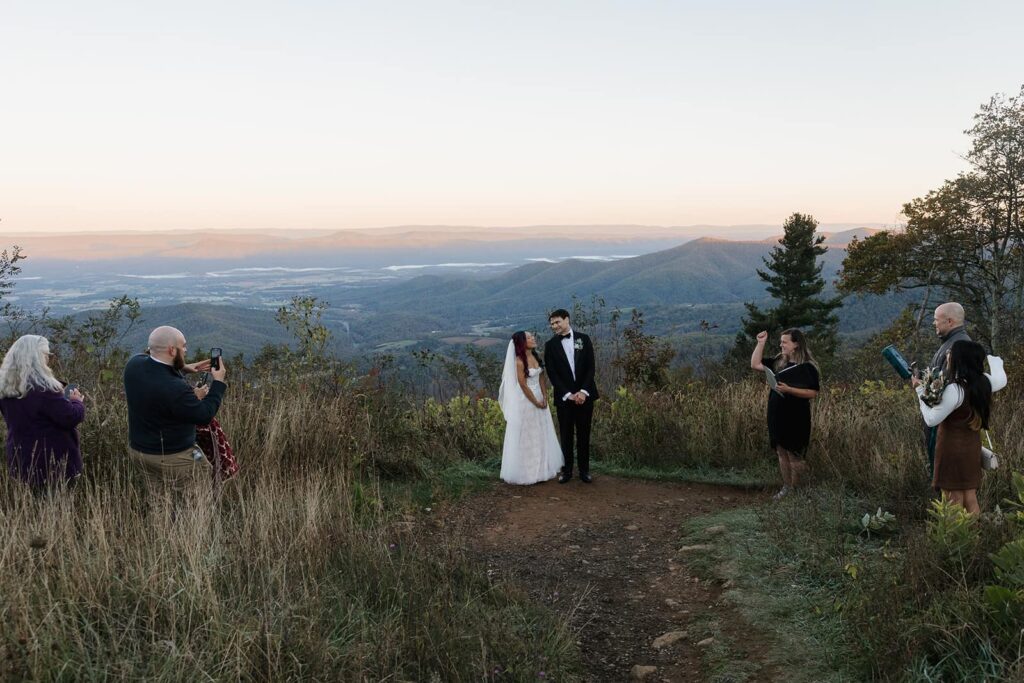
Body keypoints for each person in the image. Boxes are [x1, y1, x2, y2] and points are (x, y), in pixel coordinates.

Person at [123, 326, 227, 494]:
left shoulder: (133, 365)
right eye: (183, 346)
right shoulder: (175, 388)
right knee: (196, 496)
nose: (186, 349)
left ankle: (162, 520)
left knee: (159, 502)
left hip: (140, 452)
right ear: (172, 350)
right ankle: (193, 521)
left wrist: (184, 367)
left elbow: (154, 362)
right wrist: (218, 383)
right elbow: (203, 415)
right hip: (175, 456)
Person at [914, 340, 1005, 515]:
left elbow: (932, 419)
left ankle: (957, 539)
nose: (948, 355)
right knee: (970, 497)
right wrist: (995, 360)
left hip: (951, 449)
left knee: (952, 499)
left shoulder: (955, 389)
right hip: (971, 447)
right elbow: (1002, 379)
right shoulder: (984, 382)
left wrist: (920, 392)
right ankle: (973, 538)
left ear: (959, 359)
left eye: (951, 352)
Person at [0, 335, 85, 492]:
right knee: (57, 506)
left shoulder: (6, 387)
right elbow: (70, 417)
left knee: (32, 505)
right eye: (46, 354)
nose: (48, 358)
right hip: (50, 462)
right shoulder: (44, 389)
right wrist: (76, 401)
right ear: (36, 358)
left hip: (21, 457)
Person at [750, 328, 820, 499]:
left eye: (784, 342)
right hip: (776, 413)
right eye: (781, 341)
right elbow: (755, 364)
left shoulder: (807, 367)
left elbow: (812, 393)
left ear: (796, 344)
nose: (781, 345)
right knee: (781, 451)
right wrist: (760, 343)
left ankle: (798, 490)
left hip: (796, 416)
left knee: (795, 454)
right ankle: (787, 488)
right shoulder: (780, 361)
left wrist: (789, 389)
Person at [497, 331, 564, 485]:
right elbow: (523, 385)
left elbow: (541, 377)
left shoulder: (536, 355)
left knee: (541, 433)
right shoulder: (519, 362)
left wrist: (545, 397)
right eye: (529, 337)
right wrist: (535, 402)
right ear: (522, 342)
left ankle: (542, 469)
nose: (533, 338)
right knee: (528, 436)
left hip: (540, 398)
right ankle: (528, 473)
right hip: (526, 401)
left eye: (532, 336)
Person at [544, 309, 599, 484]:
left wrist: (583, 391)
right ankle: (567, 471)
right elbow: (552, 374)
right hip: (564, 399)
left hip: (585, 396)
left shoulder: (584, 339)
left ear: (567, 320)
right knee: (566, 436)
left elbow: (591, 367)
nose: (554, 326)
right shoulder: (550, 345)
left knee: (584, 435)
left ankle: (584, 471)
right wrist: (568, 394)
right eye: (552, 324)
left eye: (557, 322)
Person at [921, 302, 972, 472]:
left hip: (948, 429)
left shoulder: (959, 347)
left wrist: (920, 388)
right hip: (944, 427)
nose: (934, 323)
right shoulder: (952, 343)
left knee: (950, 487)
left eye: (937, 320)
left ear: (949, 322)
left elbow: (946, 390)